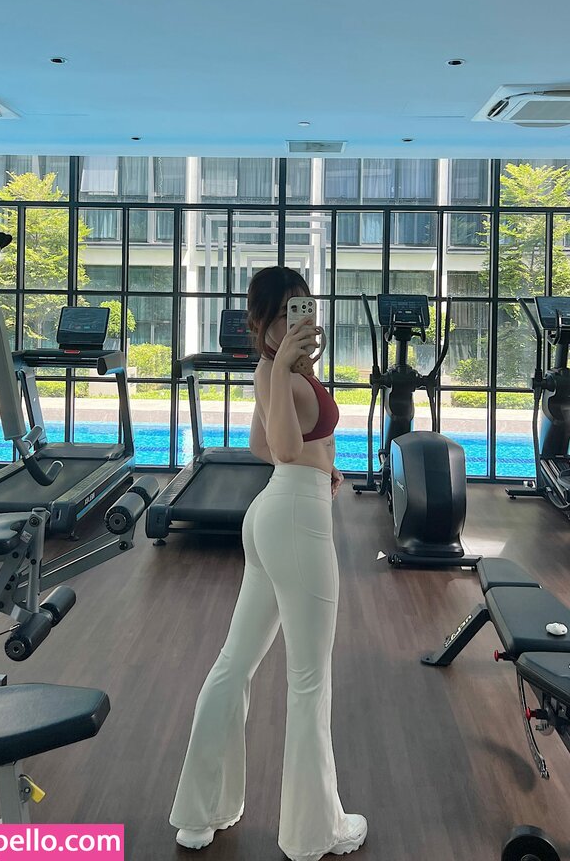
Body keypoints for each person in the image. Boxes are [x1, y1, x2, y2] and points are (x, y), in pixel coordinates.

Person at [169, 266, 368, 861]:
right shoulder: (274, 369)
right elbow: (280, 447)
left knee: (235, 664)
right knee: (309, 682)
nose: (298, 319)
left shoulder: (284, 370)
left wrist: (322, 464)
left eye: (303, 306)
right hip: (297, 523)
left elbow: (266, 446)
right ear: (261, 322)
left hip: (275, 514)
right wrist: (284, 372)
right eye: (284, 313)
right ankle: (315, 832)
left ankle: (200, 815)